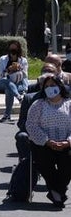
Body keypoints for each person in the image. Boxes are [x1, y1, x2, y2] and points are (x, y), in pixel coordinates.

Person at [26, 72, 71, 207]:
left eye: (53, 85)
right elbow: (31, 125)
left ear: (60, 86)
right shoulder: (38, 105)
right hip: (43, 144)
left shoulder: (69, 104)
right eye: (47, 86)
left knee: (68, 163)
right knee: (45, 162)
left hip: (66, 143)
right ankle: (57, 194)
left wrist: (68, 142)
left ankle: (57, 191)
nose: (50, 88)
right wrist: (47, 141)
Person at [0, 41, 29, 122]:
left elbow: (25, 76)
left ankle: (7, 114)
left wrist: (20, 68)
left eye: (15, 49)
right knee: (7, 82)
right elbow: (0, 75)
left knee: (9, 90)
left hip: (18, 83)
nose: (13, 51)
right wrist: (8, 70)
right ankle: (19, 97)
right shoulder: (3, 59)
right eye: (11, 49)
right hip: (3, 82)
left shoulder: (23, 60)